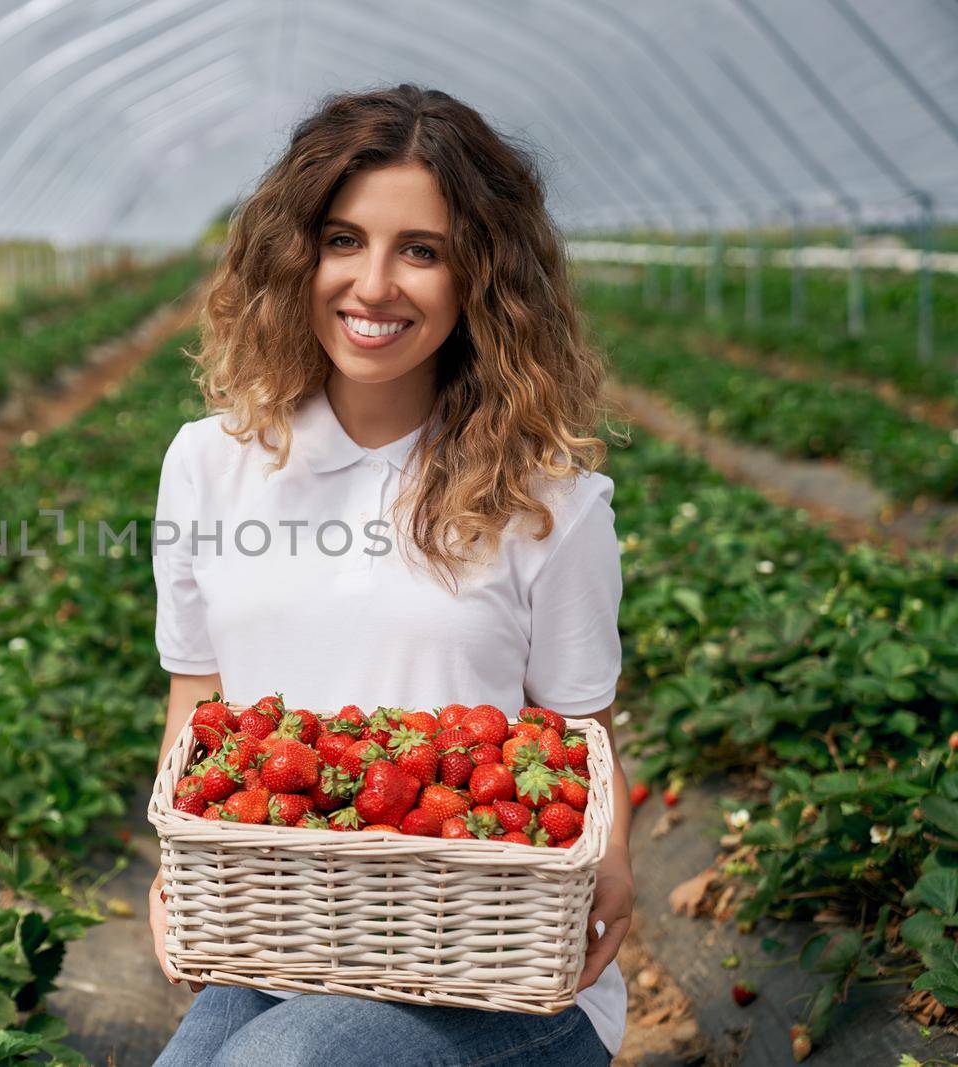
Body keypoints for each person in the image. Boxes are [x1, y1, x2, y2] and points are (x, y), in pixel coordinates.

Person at [145, 84, 633, 1066]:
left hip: (495, 974)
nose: (374, 284)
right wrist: (178, 869)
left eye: (422, 249)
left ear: (480, 277)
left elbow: (580, 732)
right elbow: (197, 698)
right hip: (281, 946)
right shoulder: (208, 464)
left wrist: (610, 857)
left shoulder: (549, 500)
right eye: (341, 239)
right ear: (293, 254)